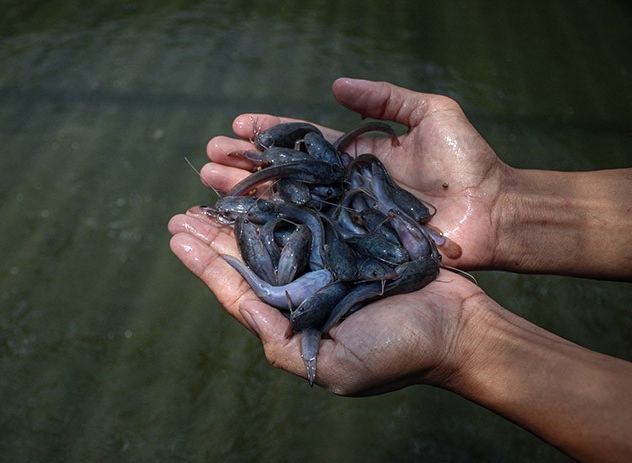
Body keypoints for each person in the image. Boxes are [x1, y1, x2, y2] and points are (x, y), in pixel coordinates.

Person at [167, 78, 632, 462]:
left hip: (351, 247)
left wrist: (460, 339)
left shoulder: (361, 227)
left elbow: (348, 226)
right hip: (340, 245)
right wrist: (502, 208)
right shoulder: (337, 226)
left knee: (316, 245)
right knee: (313, 244)